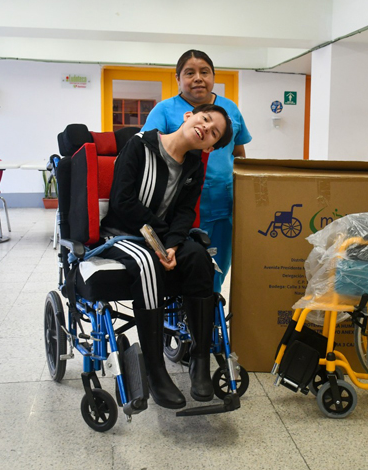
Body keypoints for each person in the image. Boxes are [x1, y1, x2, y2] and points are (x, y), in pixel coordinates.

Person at [101, 104, 233, 409]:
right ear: (189, 116)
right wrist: (162, 239)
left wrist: (172, 244)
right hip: (124, 233)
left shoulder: (194, 166)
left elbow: (185, 212)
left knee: (199, 257)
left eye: (214, 133)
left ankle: (199, 359)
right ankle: (156, 371)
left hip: (162, 236)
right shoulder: (140, 146)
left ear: (210, 146)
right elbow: (122, 201)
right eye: (205, 119)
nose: (206, 128)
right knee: (147, 264)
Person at [142, 49, 252, 293]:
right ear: (178, 78)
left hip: (223, 200)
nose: (198, 78)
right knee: (183, 263)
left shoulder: (230, 109)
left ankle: (209, 307)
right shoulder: (164, 110)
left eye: (205, 72)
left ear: (213, 76)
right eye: (189, 73)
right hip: (178, 202)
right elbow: (148, 151)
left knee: (218, 264)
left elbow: (239, 154)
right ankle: (185, 308)